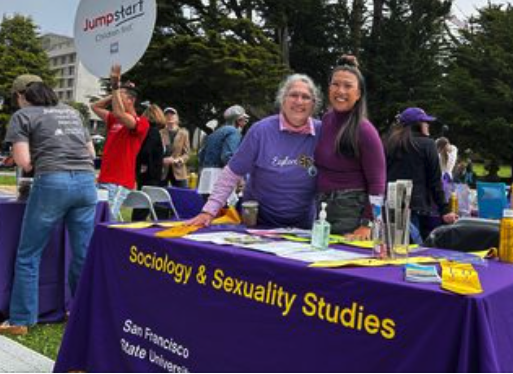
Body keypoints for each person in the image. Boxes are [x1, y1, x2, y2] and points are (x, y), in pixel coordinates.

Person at [0, 76, 97, 337]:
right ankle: (82, 313)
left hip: (52, 183)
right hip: (88, 183)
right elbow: (91, 154)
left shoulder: (23, 115)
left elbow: (25, 162)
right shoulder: (72, 112)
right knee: (83, 253)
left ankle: (20, 319)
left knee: (29, 254)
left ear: (21, 96)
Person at [188, 75, 323, 230]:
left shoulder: (323, 132)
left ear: (313, 104)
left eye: (305, 97)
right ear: (282, 100)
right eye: (293, 95)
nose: (299, 101)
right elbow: (231, 173)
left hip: (303, 226)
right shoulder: (260, 131)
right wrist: (208, 211)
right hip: (259, 222)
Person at [315, 55, 386, 237]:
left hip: (352, 213)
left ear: (358, 94)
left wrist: (367, 224)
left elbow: (378, 183)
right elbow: (316, 164)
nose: (340, 91)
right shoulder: (325, 121)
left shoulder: (365, 131)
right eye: (335, 84)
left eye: (348, 86)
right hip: (320, 209)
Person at [383, 107, 455, 242]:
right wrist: (445, 209)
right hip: (414, 206)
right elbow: (435, 180)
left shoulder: (388, 142)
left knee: (392, 245)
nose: (428, 125)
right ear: (418, 124)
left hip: (389, 204)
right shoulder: (427, 144)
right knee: (414, 249)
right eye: (425, 122)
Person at [90, 65, 150, 217]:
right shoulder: (114, 119)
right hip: (105, 178)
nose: (115, 98)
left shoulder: (141, 122)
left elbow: (119, 113)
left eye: (120, 96)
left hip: (119, 181)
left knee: (107, 218)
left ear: (130, 101)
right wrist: (117, 91)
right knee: (97, 217)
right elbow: (95, 106)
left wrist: (116, 86)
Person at [135, 103, 167, 191]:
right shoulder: (153, 132)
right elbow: (146, 150)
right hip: (151, 172)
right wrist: (144, 164)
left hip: (143, 171)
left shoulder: (145, 130)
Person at [161, 107, 191, 188]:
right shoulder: (159, 133)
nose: (169, 116)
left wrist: (179, 160)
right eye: (167, 115)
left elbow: (187, 154)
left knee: (183, 196)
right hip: (163, 171)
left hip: (179, 170)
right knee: (159, 195)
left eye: (172, 114)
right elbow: (156, 152)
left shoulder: (184, 133)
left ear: (177, 117)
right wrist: (162, 160)